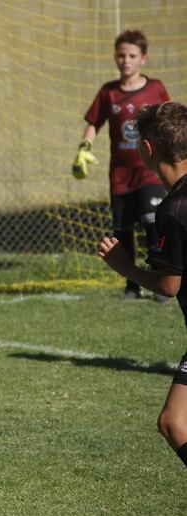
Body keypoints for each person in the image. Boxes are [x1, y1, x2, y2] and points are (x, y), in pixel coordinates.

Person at [97, 101, 187, 468]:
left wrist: (124, 267)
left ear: (147, 149)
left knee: (173, 423)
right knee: (171, 422)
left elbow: (168, 286)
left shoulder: (174, 209)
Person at [74, 29, 171, 300]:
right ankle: (132, 286)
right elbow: (93, 123)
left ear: (143, 59)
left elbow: (168, 121)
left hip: (149, 173)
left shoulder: (155, 88)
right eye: (121, 55)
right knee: (123, 232)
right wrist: (85, 148)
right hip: (120, 176)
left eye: (131, 55)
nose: (125, 60)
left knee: (154, 226)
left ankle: (161, 283)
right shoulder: (109, 92)